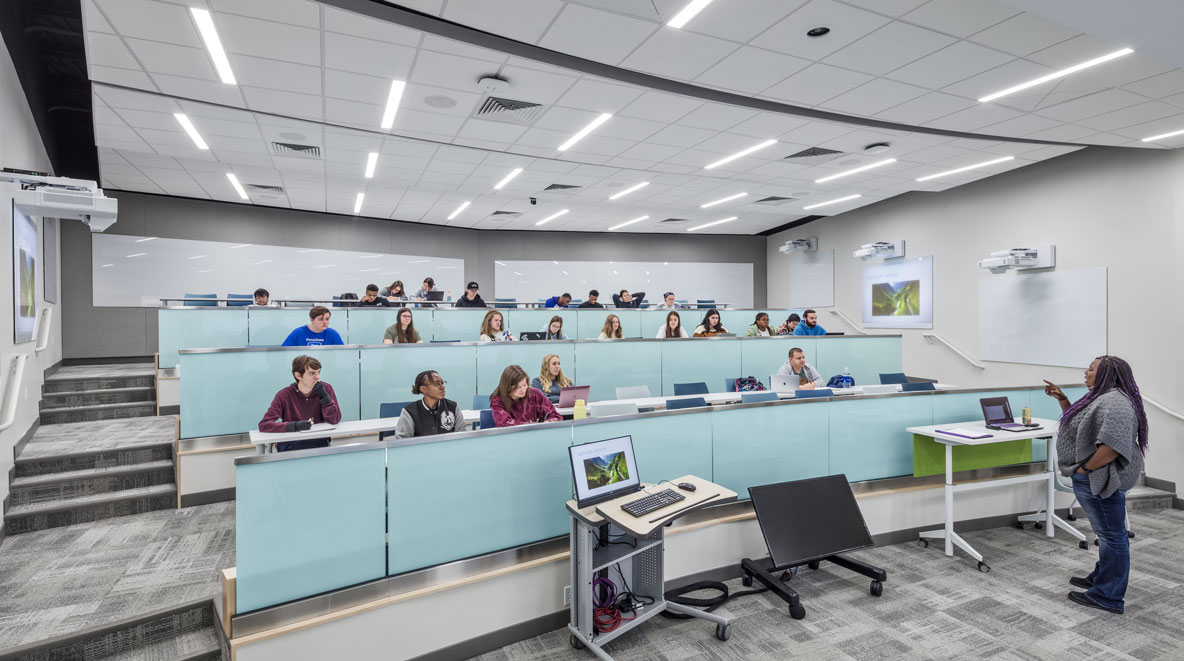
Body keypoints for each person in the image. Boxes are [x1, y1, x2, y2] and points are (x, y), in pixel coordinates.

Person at [1045, 356, 1148, 615]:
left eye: (1091, 369)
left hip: (1102, 478)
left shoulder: (1115, 402)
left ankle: (1108, 595)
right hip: (1096, 476)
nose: (1086, 372)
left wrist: (1085, 469)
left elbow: (1113, 447)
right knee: (1107, 533)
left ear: (1105, 374)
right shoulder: (1101, 397)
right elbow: (1081, 425)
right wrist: (1062, 398)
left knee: (1113, 536)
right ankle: (1102, 578)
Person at [258, 355, 341, 452]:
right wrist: (295, 426)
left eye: (318, 372)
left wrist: (324, 397)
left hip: (319, 443)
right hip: (290, 444)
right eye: (312, 373)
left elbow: (335, 419)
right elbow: (264, 425)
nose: (317, 377)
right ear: (298, 375)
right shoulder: (284, 395)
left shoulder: (326, 389)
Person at [393, 370, 465, 439]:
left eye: (442, 383)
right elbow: (401, 443)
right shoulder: (409, 412)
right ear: (424, 389)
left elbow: (462, 437)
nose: (442, 387)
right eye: (437, 384)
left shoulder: (453, 407)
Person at [490, 364, 561, 427]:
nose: (523, 390)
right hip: (510, 438)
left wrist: (547, 423)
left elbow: (555, 415)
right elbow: (504, 423)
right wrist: (530, 425)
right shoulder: (497, 400)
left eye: (524, 385)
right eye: (518, 387)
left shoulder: (534, 393)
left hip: (533, 435)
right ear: (508, 386)